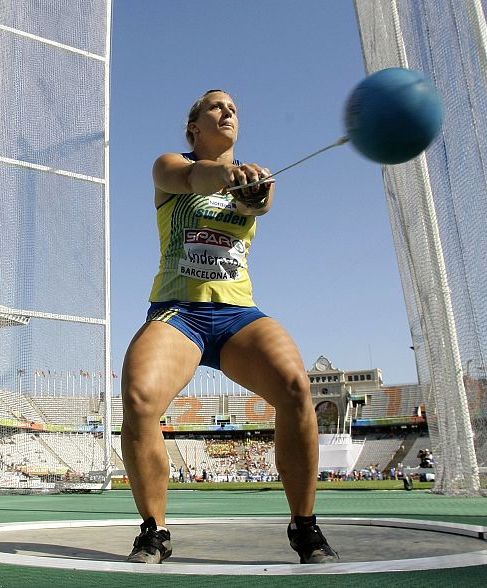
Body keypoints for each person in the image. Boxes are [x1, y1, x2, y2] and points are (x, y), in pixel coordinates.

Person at [121, 89, 337, 564]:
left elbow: (256, 207)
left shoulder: (258, 178)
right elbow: (195, 177)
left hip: (238, 316)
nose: (228, 112)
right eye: (216, 107)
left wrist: (254, 190)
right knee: (139, 398)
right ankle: (154, 532)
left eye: (234, 108)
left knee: (296, 386)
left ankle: (305, 527)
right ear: (194, 126)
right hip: (179, 313)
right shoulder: (168, 165)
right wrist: (227, 175)